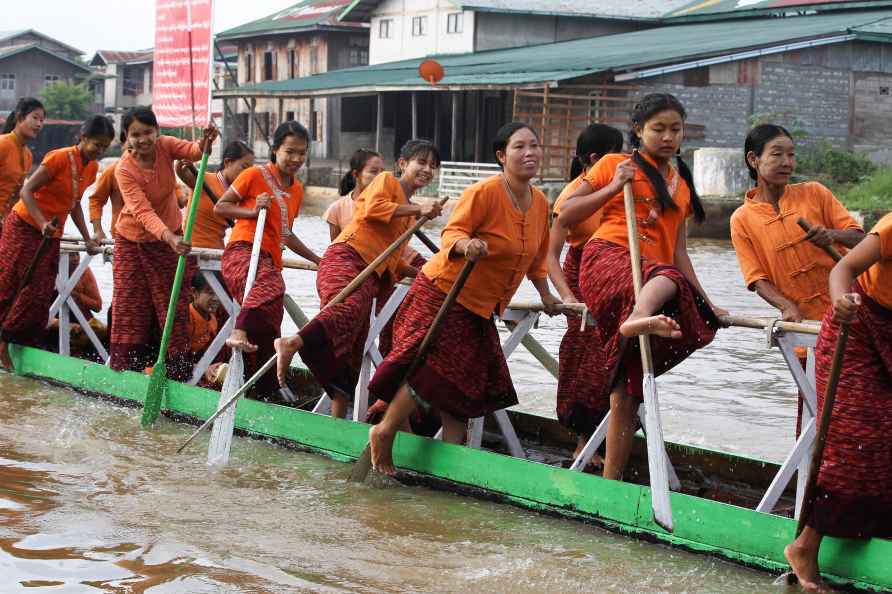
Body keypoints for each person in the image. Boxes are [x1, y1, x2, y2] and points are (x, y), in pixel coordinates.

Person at [365, 122, 561, 475]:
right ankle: (384, 432)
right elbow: (452, 231)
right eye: (519, 147)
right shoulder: (484, 191)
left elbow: (537, 259)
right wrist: (465, 244)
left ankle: (452, 456)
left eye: (534, 145)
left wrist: (547, 296)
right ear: (502, 156)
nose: (529, 153)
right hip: (445, 291)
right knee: (435, 369)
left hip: (484, 305)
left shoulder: (541, 203)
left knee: (467, 379)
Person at [554, 93, 726, 481]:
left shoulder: (680, 185)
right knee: (667, 279)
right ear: (638, 131)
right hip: (609, 259)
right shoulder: (616, 164)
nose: (668, 137)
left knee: (629, 387)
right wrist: (614, 186)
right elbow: (566, 214)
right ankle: (636, 318)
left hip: (655, 277)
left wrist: (709, 302)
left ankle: (610, 482)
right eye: (658, 129)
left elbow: (679, 252)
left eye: (675, 129)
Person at [274, 139, 443, 419]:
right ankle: (291, 342)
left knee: (354, 351)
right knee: (347, 310)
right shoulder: (387, 181)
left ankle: (336, 422)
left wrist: (426, 274)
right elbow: (370, 210)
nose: (427, 169)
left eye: (432, 166)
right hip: (346, 259)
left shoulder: (411, 214)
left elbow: (392, 259)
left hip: (370, 275)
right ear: (403, 164)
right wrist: (417, 210)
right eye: (421, 162)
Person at [784, 212, 892, 593]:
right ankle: (804, 546)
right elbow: (841, 270)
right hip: (857, 328)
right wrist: (841, 301)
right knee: (860, 440)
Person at [109, 106, 217, 380]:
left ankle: (176, 372)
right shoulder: (123, 169)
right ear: (126, 136)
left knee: (173, 304)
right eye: (136, 135)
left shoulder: (165, 146)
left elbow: (194, 151)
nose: (144, 140)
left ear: (156, 131)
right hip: (133, 241)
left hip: (169, 239)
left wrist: (206, 141)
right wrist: (170, 237)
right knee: (131, 306)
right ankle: (127, 372)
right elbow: (142, 211)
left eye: (148, 132)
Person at [215, 122, 320, 397]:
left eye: (302, 153)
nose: (296, 159)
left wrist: (318, 259)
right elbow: (221, 207)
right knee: (271, 285)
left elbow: (286, 235)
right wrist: (253, 210)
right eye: (290, 152)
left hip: (270, 260)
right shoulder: (253, 174)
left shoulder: (297, 189)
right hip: (243, 252)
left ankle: (261, 388)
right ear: (275, 150)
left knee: (270, 326)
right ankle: (238, 332)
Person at [0, 115, 113, 368]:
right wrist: (41, 223)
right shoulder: (59, 157)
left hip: (51, 233)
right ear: (83, 138)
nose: (100, 150)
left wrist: (88, 238)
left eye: (105, 147)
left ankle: (13, 340)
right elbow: (26, 191)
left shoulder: (92, 168)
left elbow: (74, 205)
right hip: (25, 226)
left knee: (40, 293)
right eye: (97, 144)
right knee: (11, 284)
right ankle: (3, 343)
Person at [731, 124, 864, 324]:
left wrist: (832, 235)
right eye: (777, 155)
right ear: (753, 159)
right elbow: (757, 279)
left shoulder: (815, 192)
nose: (787, 162)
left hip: (852, 310)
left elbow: (861, 240)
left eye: (791, 155)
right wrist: (786, 306)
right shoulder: (741, 219)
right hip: (803, 325)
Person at [547, 123, 624, 466]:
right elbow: (548, 256)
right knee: (589, 361)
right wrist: (568, 299)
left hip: (616, 273)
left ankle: (611, 444)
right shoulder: (571, 196)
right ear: (596, 159)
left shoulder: (616, 189)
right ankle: (583, 444)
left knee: (619, 359)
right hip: (583, 278)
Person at [176, 140, 254, 249]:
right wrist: (192, 152)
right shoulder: (204, 179)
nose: (247, 175)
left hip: (217, 252)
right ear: (228, 162)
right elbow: (180, 170)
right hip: (191, 249)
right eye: (244, 168)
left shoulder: (239, 195)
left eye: (250, 171)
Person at [0, 98, 45, 232]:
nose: (39, 124)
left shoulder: (28, 155)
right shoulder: (2, 144)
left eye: (42, 121)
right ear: (20, 117)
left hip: (6, 222)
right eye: (35, 118)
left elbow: (17, 193)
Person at [324, 148, 385, 241]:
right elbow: (336, 250)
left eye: (382, 172)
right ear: (356, 174)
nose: (381, 177)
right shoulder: (337, 209)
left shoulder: (389, 206)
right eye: (373, 171)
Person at [187, 272, 220, 359]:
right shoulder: (187, 316)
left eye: (219, 293)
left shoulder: (213, 320)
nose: (216, 298)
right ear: (194, 292)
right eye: (210, 293)